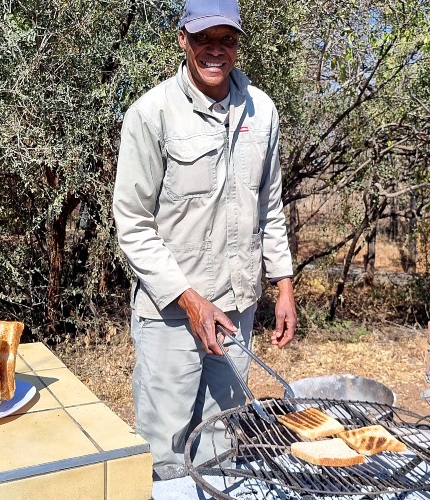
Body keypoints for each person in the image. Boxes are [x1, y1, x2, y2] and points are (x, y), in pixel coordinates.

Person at [112, 0, 297, 475]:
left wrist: (283, 286)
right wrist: (190, 299)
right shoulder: (150, 115)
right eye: (203, 39)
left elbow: (269, 206)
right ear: (183, 40)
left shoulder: (263, 110)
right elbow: (133, 224)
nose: (216, 50)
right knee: (167, 450)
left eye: (226, 39)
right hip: (172, 313)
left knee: (222, 439)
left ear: (238, 43)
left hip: (238, 307)